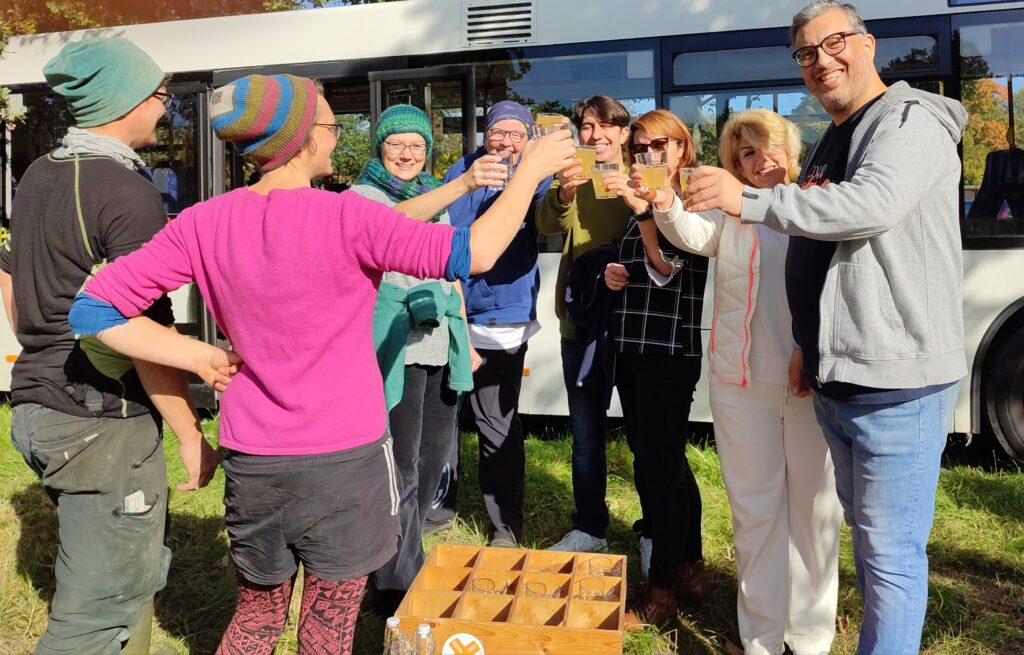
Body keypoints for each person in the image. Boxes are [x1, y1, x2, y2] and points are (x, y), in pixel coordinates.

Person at [68, 73, 574, 655]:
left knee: (256, 617)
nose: (337, 139)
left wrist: (198, 355)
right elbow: (475, 253)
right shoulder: (347, 217)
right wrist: (529, 172)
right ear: (303, 139)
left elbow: (93, 309)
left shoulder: (202, 223)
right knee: (328, 628)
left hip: (253, 461)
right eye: (332, 127)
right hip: (346, 462)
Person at [685, 2, 967, 652]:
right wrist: (811, 344)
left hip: (894, 382)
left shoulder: (907, 119)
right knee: (870, 550)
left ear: (867, 44)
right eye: (806, 53)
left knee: (890, 560)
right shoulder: (833, 134)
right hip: (840, 377)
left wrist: (746, 199)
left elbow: (869, 206)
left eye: (833, 43)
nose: (821, 61)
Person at [0, 38, 218, 655]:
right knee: (97, 617)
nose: (164, 109)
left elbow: (9, 271)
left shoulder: (40, 173)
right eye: (159, 96)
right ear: (125, 102)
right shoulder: (126, 191)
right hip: (100, 419)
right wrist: (188, 434)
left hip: (38, 405)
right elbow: (143, 335)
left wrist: (40, 337)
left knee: (119, 584)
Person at [639, 108, 842, 653]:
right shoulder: (730, 214)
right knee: (755, 513)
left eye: (768, 147)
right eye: (746, 153)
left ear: (790, 152)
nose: (760, 160)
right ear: (735, 165)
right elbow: (689, 233)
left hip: (809, 384)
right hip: (739, 384)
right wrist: (663, 202)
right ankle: (762, 639)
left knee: (814, 514)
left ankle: (811, 637)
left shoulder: (816, 205)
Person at [351, 103, 502, 611]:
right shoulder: (363, 196)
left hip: (439, 343)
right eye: (397, 144)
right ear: (380, 149)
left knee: (432, 462)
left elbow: (449, 268)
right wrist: (460, 187)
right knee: (401, 470)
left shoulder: (430, 196)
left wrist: (467, 341)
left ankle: (407, 562)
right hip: (397, 348)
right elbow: (388, 228)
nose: (408, 154)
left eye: (417, 145)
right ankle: (394, 585)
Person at [601, 109, 709, 624]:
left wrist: (644, 215)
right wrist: (614, 272)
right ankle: (689, 566)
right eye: (640, 147)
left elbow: (671, 269)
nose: (647, 154)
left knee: (658, 470)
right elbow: (642, 267)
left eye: (658, 144)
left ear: (682, 147)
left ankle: (661, 593)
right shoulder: (645, 195)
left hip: (670, 351)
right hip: (636, 347)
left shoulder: (693, 196)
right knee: (664, 461)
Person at [443, 100, 554, 548]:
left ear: (528, 137)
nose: (506, 142)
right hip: (452, 310)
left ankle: (505, 525)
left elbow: (550, 207)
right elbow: (446, 233)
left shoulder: (534, 173)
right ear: (484, 133)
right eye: (498, 133)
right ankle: (437, 510)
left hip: (502, 317)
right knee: (443, 419)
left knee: (496, 420)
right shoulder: (462, 171)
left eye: (516, 134)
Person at [536, 96, 634, 554]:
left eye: (604, 127)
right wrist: (562, 195)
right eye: (587, 128)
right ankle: (589, 528)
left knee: (647, 436)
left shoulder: (646, 172)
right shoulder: (575, 174)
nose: (595, 136)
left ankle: (652, 527)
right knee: (586, 434)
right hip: (581, 325)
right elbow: (545, 224)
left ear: (624, 132)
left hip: (636, 327)